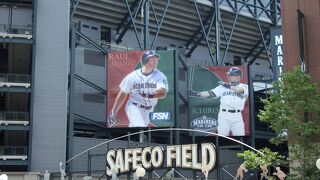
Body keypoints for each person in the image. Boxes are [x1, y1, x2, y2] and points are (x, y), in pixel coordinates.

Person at [108, 50, 168, 127]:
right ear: (145, 60)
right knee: (140, 126)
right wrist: (113, 112)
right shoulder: (132, 76)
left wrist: (149, 95)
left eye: (156, 59)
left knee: (136, 130)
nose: (156, 61)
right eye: (153, 59)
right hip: (134, 106)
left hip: (149, 110)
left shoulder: (160, 75)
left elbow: (163, 93)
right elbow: (123, 93)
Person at [190, 67, 248, 136]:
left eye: (231, 75)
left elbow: (239, 90)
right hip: (224, 115)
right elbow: (210, 93)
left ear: (238, 77)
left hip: (237, 115)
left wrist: (226, 85)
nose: (229, 77)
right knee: (221, 136)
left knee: (240, 136)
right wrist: (196, 94)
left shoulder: (244, 86)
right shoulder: (222, 87)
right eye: (228, 75)